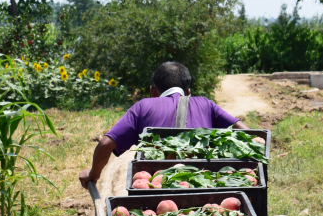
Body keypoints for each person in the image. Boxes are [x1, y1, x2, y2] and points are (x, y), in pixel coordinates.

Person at [78, 61, 248, 188]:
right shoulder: (206, 104)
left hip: (153, 185)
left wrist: (93, 174)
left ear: (153, 91)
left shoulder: (142, 106)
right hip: (202, 183)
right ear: (188, 92)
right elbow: (249, 135)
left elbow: (106, 144)